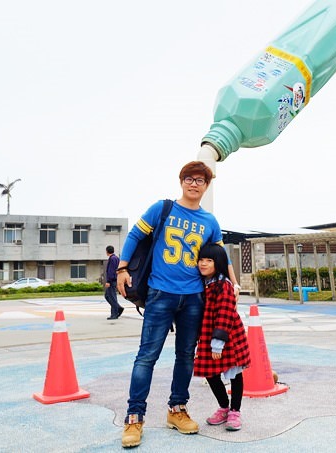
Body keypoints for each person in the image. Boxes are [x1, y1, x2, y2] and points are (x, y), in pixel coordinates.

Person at [116, 161, 239, 448]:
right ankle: (134, 417)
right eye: (189, 178)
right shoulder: (162, 208)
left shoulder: (210, 221)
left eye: (200, 180)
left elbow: (222, 256)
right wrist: (121, 269)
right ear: (181, 181)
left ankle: (177, 409)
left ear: (206, 186)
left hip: (195, 296)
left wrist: (232, 283)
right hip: (161, 293)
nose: (194, 183)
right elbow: (135, 234)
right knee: (147, 356)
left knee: (186, 355)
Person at [194, 243, 250, 431]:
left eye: (209, 260)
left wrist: (218, 343)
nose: (203, 264)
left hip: (228, 336)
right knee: (210, 372)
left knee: (234, 372)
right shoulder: (204, 283)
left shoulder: (223, 285)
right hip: (209, 334)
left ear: (218, 263)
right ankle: (224, 407)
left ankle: (235, 411)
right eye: (201, 260)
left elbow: (225, 313)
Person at [104, 245, 124, 320]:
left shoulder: (112, 259)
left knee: (111, 297)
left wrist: (109, 281)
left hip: (112, 281)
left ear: (107, 251)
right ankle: (118, 308)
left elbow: (111, 271)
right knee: (108, 296)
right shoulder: (116, 258)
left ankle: (115, 313)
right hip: (115, 280)